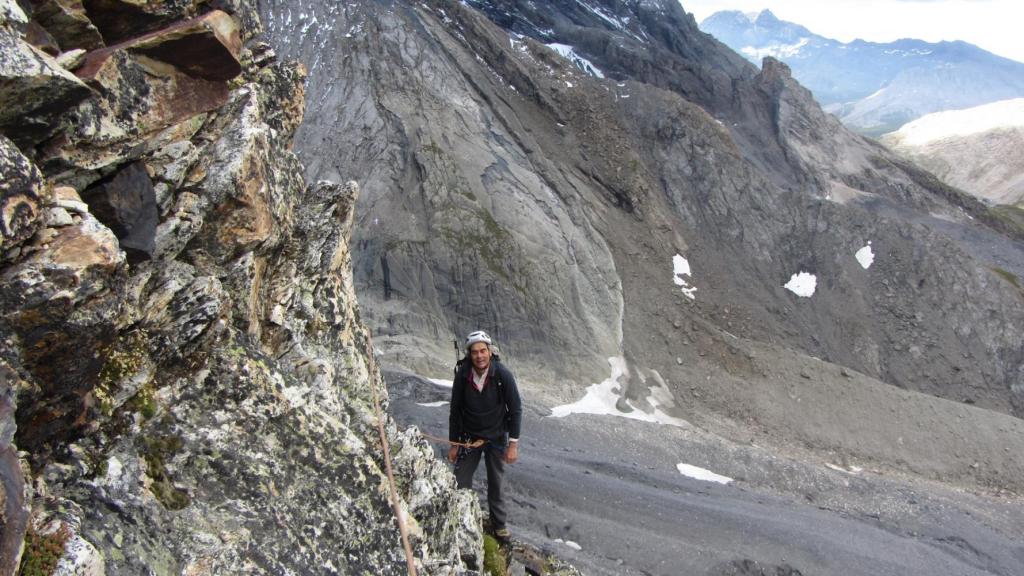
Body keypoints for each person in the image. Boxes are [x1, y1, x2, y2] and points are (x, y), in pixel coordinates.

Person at [448, 330, 522, 540]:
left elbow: (515, 409)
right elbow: (455, 411)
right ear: (469, 355)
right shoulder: (463, 375)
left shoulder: (502, 375)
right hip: (470, 437)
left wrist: (513, 445)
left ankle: (499, 525)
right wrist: (454, 444)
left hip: (497, 438)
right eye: (475, 352)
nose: (479, 356)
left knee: (496, 483)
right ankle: (460, 517)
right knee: (460, 480)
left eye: (483, 351)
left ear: (490, 352)